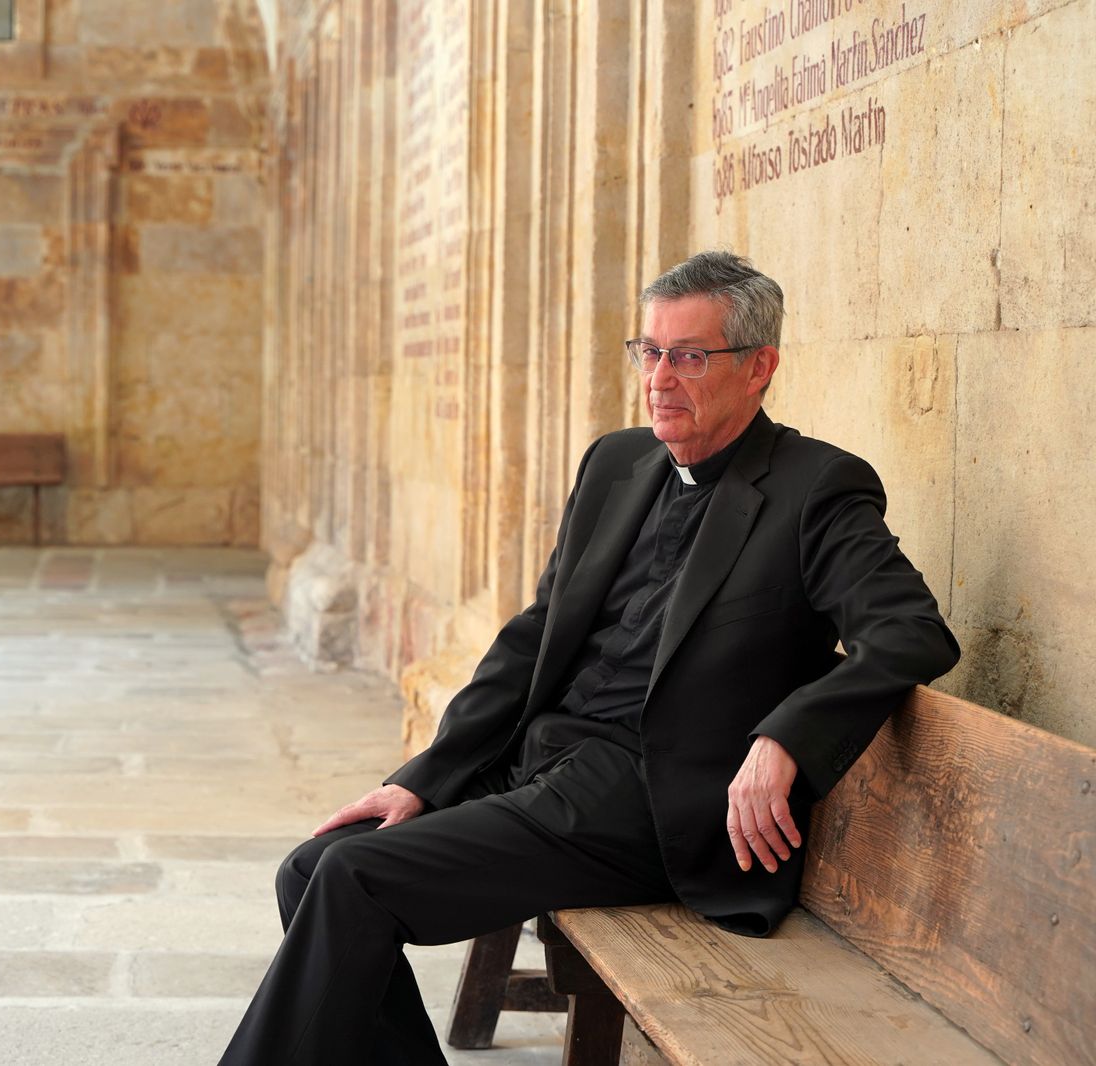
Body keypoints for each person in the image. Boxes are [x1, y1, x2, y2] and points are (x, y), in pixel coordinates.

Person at [218, 251, 960, 1066]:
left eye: (689, 356)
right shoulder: (615, 464)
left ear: (759, 368)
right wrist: (423, 777)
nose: (660, 378)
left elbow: (911, 631)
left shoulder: (817, 487)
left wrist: (785, 737)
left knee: (354, 880)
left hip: (651, 802)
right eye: (649, 351)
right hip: (544, 765)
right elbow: (534, 638)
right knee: (310, 868)